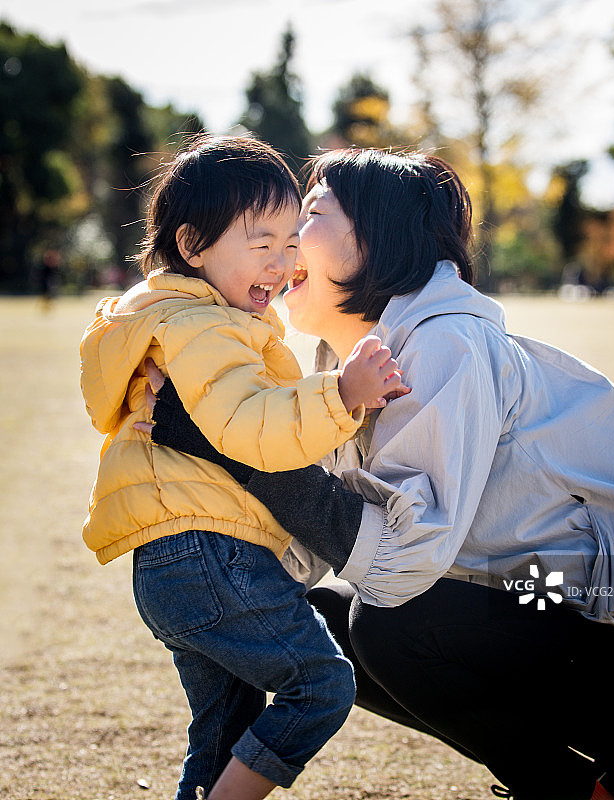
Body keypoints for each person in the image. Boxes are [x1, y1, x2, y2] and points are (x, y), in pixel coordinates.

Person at [140, 147, 614, 800]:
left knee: (393, 625)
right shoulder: (356, 361)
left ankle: (572, 792)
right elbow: (309, 548)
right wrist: (213, 577)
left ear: (378, 237)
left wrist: (228, 446)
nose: (288, 238)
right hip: (557, 610)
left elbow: (403, 557)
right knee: (297, 618)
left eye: (311, 214)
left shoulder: (446, 344)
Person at [79, 136, 409, 800]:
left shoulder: (175, 318)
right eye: (262, 244)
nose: (284, 262)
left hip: (178, 561)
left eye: (292, 242)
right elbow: (249, 427)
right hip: (209, 555)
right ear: (193, 244)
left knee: (224, 735)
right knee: (320, 684)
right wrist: (341, 394)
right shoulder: (203, 329)